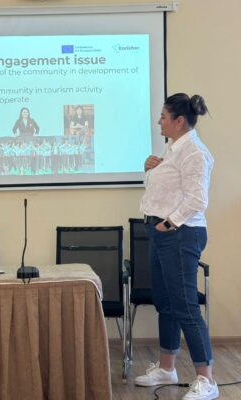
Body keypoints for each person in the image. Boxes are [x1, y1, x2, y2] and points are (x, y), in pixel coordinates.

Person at [137, 93, 218, 400]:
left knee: (185, 305)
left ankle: (206, 380)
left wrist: (169, 224)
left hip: (181, 234)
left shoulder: (194, 152)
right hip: (162, 233)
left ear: (179, 121)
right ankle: (167, 368)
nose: (159, 121)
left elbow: (198, 199)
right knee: (165, 302)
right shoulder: (173, 149)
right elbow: (165, 190)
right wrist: (149, 169)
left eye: (163, 116)